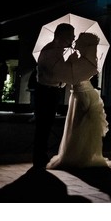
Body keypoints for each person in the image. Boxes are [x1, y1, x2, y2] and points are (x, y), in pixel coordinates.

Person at [47, 32, 111, 169]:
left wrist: (69, 62)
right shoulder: (84, 59)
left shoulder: (84, 61)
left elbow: (73, 78)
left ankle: (78, 156)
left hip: (82, 95)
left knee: (79, 127)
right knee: (78, 126)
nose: (75, 42)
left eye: (78, 41)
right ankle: (80, 155)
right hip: (79, 94)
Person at [33, 22, 76, 168]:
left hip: (50, 91)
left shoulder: (56, 50)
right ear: (63, 36)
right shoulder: (52, 51)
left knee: (45, 124)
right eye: (71, 35)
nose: (73, 38)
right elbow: (56, 74)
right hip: (46, 91)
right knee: (44, 124)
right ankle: (39, 156)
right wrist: (69, 67)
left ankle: (40, 154)